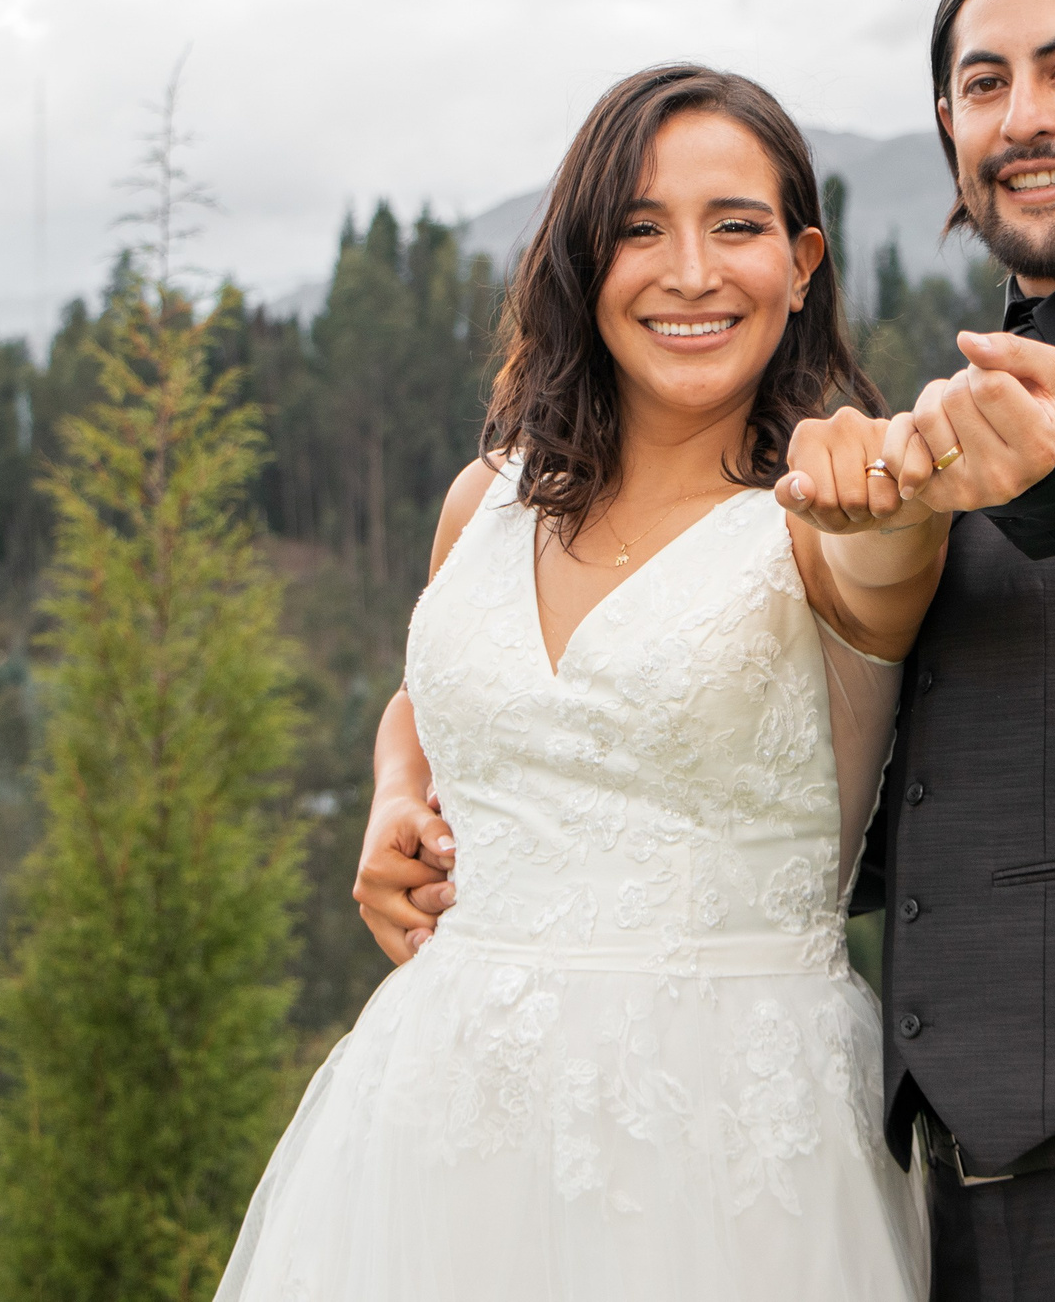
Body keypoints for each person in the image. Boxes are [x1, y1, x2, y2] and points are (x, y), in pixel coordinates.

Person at [365, 0, 1055, 1301]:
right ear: (949, 123)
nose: (1024, 117)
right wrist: (414, 791)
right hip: (928, 1198)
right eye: (983, 83)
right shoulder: (909, 445)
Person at [218, 64, 949, 1300]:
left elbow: (892, 556)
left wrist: (901, 493)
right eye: (639, 229)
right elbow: (431, 698)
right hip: (436, 1131)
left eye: (735, 226)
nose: (690, 272)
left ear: (802, 263)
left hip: (723, 1158)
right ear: (581, 260)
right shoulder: (485, 501)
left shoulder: (827, 522)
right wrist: (396, 794)